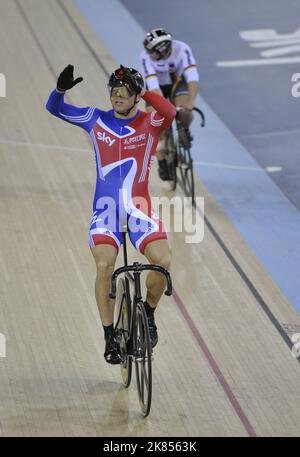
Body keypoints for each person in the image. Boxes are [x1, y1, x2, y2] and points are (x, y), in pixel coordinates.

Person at [46, 64, 176, 364]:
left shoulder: (150, 122)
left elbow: (170, 113)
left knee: (163, 261)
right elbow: (53, 107)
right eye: (114, 91)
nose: (117, 96)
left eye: (124, 92)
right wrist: (61, 90)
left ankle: (149, 315)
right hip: (106, 211)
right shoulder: (95, 118)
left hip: (138, 208)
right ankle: (109, 335)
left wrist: (144, 92)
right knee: (105, 267)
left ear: (135, 96)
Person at [140, 28, 199, 180]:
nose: (150, 54)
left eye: (153, 51)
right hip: (157, 87)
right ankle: (162, 162)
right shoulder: (145, 57)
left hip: (177, 83)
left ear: (163, 49)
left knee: (186, 111)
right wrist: (166, 110)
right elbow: (153, 86)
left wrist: (190, 104)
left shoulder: (182, 49)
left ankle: (184, 130)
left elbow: (192, 78)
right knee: (156, 125)